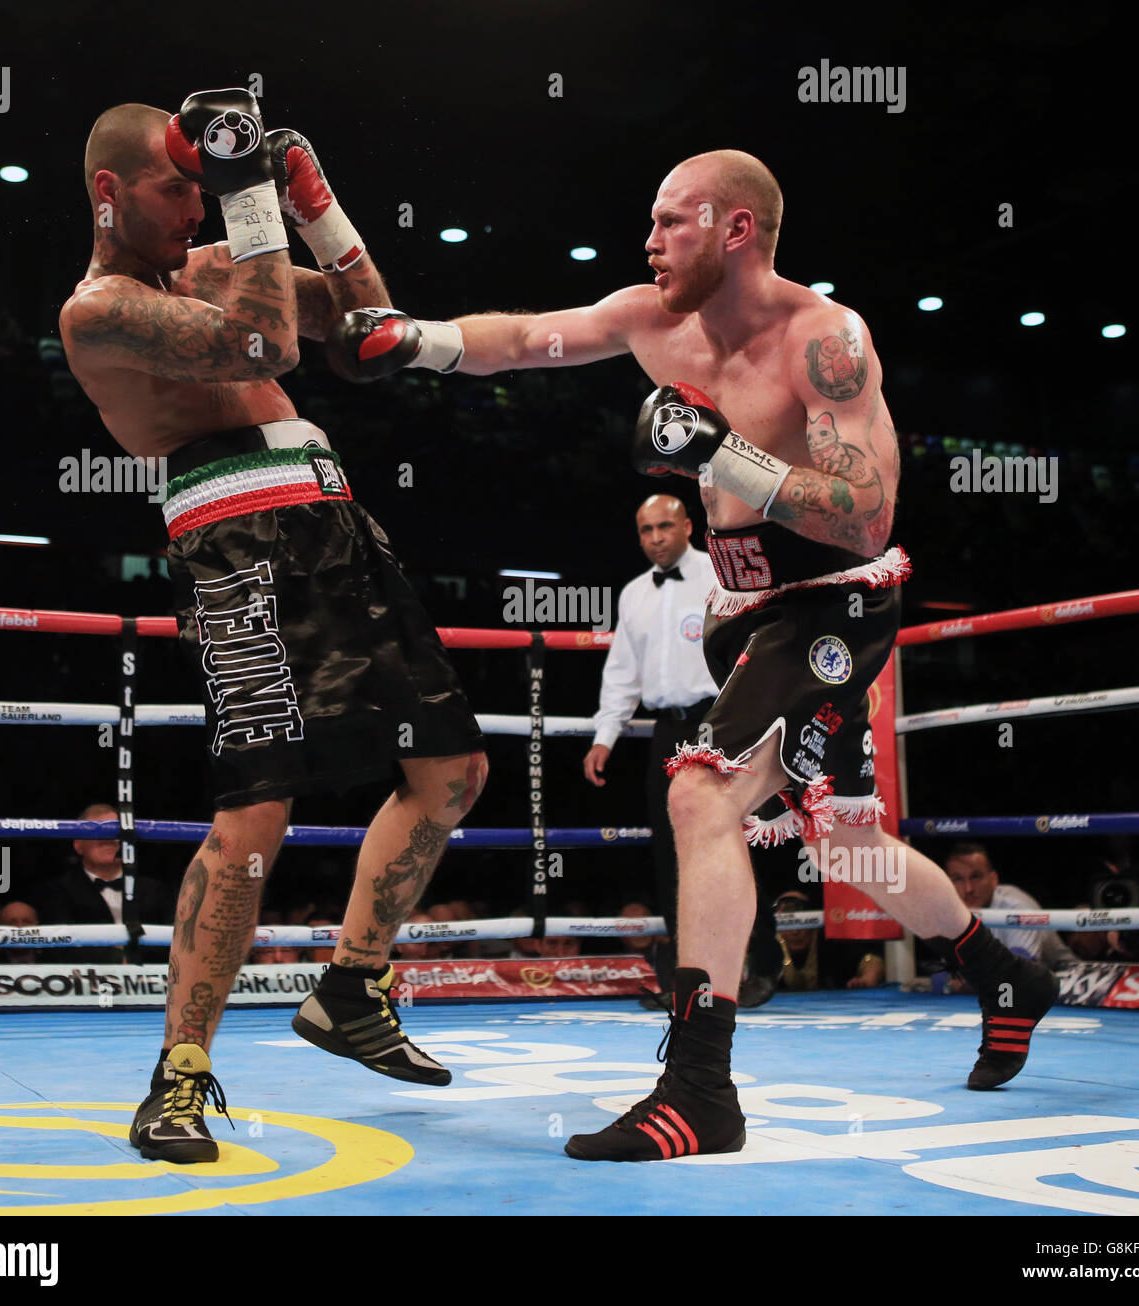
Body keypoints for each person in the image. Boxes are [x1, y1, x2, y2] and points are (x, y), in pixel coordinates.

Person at [329, 148, 1061, 1160]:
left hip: (832, 600)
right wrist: (417, 340)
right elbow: (529, 340)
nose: (650, 238)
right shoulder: (654, 318)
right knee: (844, 843)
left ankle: (699, 1088)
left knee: (699, 792)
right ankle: (1004, 973)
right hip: (748, 612)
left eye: (673, 220)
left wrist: (720, 453)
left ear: (735, 230)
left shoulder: (824, 339)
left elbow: (864, 515)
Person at [59, 93, 487, 1163]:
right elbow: (264, 344)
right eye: (176, 188)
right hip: (233, 541)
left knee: (451, 770)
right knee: (257, 812)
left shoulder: (211, 263)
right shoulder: (99, 308)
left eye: (205, 187)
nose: (194, 207)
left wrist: (311, 200)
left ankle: (349, 986)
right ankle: (180, 1077)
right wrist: (253, 196)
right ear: (109, 192)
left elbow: (369, 328)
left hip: (334, 518)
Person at [584, 492, 717, 999]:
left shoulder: (718, 577)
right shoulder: (634, 593)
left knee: (729, 843)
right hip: (666, 731)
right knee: (668, 850)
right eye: (646, 530)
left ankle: (756, 960)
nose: (656, 538)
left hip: (720, 723)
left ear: (687, 525)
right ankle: (689, 979)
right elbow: (622, 672)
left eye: (665, 527)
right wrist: (604, 737)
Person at [40, 803, 174, 962]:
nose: (108, 839)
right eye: (98, 832)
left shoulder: (155, 890)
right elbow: (59, 947)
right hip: (86, 981)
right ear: (78, 845)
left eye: (115, 832)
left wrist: (135, 960)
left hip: (152, 979)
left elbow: (174, 942)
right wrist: (119, 960)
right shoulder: (59, 891)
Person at [942, 843, 1076, 988]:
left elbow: (1019, 975)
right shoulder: (949, 911)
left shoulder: (1016, 908)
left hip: (1067, 979)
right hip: (1006, 990)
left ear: (993, 879)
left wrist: (964, 982)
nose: (968, 889)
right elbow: (944, 977)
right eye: (958, 879)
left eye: (976, 877)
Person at [772, 890, 884, 991]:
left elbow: (871, 961)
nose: (795, 931)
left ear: (814, 923)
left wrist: (866, 979)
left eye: (802, 924)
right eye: (788, 925)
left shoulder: (830, 944)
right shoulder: (768, 949)